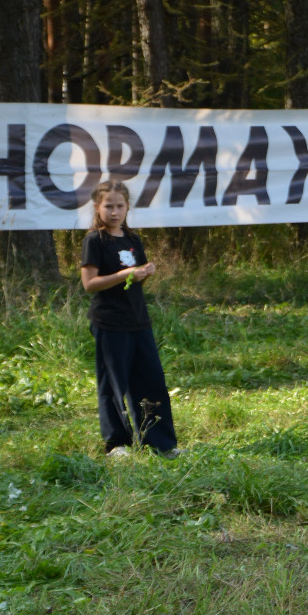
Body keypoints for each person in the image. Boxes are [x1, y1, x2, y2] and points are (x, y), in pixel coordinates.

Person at [79, 180, 180, 458]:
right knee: (113, 385)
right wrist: (125, 275)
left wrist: (144, 274)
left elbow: (135, 278)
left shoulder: (133, 239)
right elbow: (89, 284)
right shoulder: (95, 240)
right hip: (109, 323)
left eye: (120, 206)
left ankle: (160, 443)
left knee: (151, 382)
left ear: (127, 207)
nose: (114, 212)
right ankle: (117, 444)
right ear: (97, 207)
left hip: (138, 321)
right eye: (108, 206)